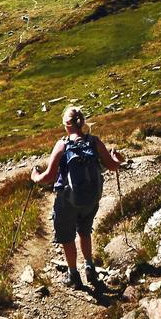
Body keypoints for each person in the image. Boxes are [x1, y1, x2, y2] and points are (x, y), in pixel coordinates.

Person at [30, 105, 124, 288]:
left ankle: (74, 275)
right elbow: (113, 166)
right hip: (91, 199)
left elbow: (49, 177)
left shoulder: (62, 145)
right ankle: (90, 267)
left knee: (67, 237)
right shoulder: (94, 141)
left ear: (66, 124)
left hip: (68, 201)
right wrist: (117, 158)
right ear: (82, 122)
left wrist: (35, 177)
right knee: (85, 231)